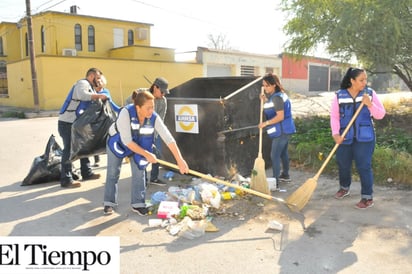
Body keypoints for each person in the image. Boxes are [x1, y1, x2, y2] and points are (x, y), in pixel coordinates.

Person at [103, 90, 189, 216]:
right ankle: (109, 203)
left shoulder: (153, 117)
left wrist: (180, 160)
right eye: (148, 108)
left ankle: (138, 204)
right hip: (118, 144)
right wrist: (148, 154)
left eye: (153, 107)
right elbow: (127, 141)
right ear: (138, 107)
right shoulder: (125, 114)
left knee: (140, 171)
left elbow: (168, 138)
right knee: (113, 173)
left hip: (139, 144)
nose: (151, 111)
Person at [331, 67, 386, 209]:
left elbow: (380, 115)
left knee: (364, 166)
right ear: (352, 80)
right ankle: (344, 188)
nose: (364, 82)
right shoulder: (339, 96)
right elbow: (334, 117)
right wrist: (335, 134)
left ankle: (367, 197)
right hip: (345, 137)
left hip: (365, 138)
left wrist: (370, 104)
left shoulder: (370, 94)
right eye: (361, 80)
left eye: (365, 79)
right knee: (343, 163)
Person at [58, 68, 108, 188]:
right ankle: (66, 179)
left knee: (83, 147)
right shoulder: (82, 83)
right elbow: (82, 95)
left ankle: (87, 173)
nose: (99, 80)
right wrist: (98, 96)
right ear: (91, 76)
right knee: (69, 150)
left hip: (77, 123)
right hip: (67, 123)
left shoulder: (90, 87)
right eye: (97, 78)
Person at [258, 73, 296, 184]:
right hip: (285, 129)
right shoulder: (278, 96)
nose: (265, 88)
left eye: (267, 85)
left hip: (282, 130)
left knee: (274, 155)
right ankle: (285, 175)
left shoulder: (277, 98)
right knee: (283, 153)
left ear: (274, 85)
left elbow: (280, 116)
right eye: (264, 85)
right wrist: (265, 100)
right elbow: (273, 108)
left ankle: (275, 181)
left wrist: (265, 123)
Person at [93, 75, 121, 167]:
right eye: (97, 84)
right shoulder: (91, 93)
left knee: (111, 137)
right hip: (94, 119)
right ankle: (96, 158)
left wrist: (120, 110)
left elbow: (111, 104)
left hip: (106, 119)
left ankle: (116, 154)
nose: (99, 86)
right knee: (94, 139)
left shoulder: (106, 92)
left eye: (101, 83)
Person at [148, 77, 170, 186]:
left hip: (154, 133)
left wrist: (155, 135)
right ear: (155, 87)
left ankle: (154, 178)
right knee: (141, 158)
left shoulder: (163, 101)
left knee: (157, 156)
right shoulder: (142, 96)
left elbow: (160, 120)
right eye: (162, 92)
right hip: (139, 133)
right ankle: (140, 181)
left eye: (165, 93)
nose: (163, 95)